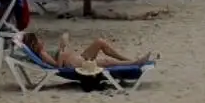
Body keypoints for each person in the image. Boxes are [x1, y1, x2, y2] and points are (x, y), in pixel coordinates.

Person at [23, 31, 151, 69]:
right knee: (106, 62)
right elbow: (58, 66)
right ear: (34, 45)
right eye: (38, 39)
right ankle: (134, 63)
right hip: (75, 64)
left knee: (100, 42)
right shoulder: (43, 53)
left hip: (78, 58)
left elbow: (59, 56)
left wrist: (64, 44)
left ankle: (128, 60)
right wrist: (63, 52)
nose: (41, 40)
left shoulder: (43, 51)